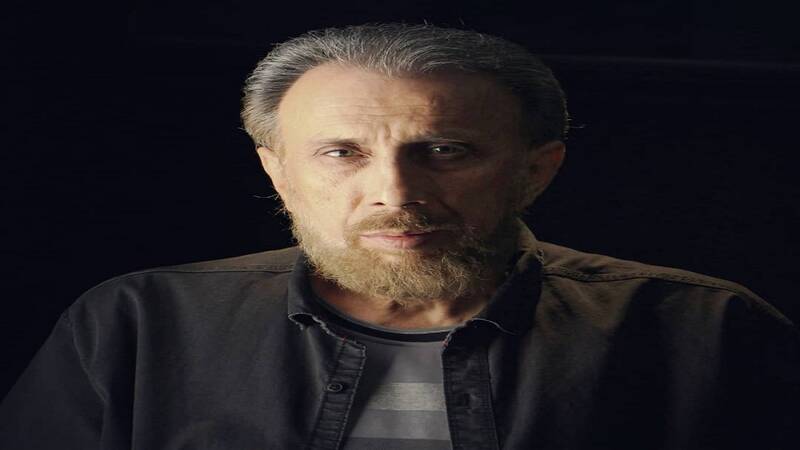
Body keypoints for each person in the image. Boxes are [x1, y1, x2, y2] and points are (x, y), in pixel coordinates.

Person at [1, 23, 797, 450]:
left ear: (535, 169)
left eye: (444, 151)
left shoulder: (706, 330)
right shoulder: (137, 323)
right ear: (278, 171)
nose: (396, 192)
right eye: (341, 152)